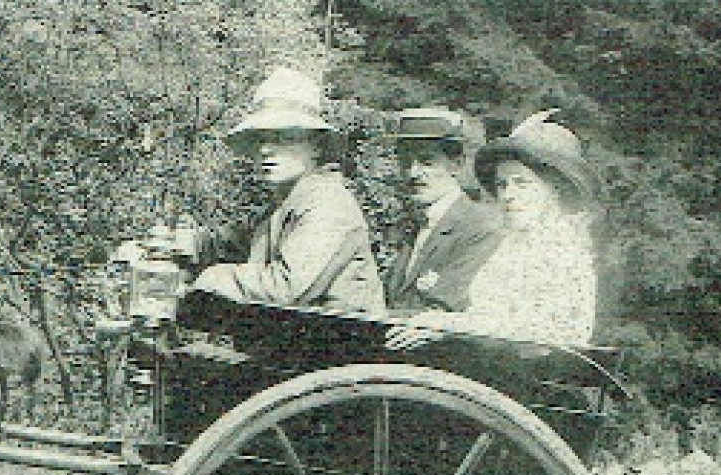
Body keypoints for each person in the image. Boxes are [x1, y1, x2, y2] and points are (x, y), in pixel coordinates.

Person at [385, 111, 599, 350]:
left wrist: (448, 325)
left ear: (554, 189)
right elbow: (486, 317)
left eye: (522, 183)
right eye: (502, 184)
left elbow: (543, 331)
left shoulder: (561, 249)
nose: (508, 195)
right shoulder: (514, 245)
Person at [190, 67, 385, 315]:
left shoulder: (328, 204)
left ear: (315, 146)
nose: (265, 150)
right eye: (259, 140)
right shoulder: (287, 203)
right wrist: (175, 245)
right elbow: (231, 242)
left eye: (282, 138)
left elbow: (286, 288)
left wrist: (213, 277)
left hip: (340, 348)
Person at [382, 107, 502, 314]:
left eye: (426, 162)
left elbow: (444, 307)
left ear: (456, 164)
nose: (413, 173)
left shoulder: (479, 228)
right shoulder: (419, 223)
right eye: (406, 162)